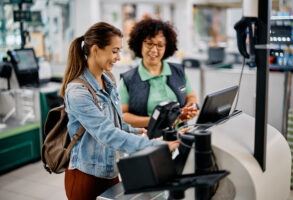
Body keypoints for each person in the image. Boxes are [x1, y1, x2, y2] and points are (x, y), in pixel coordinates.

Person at [60, 22, 179, 200]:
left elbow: (115, 122)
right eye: (114, 51)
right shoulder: (78, 91)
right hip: (85, 177)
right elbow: (107, 133)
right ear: (95, 50)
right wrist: (155, 146)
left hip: (111, 172)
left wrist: (139, 131)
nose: (118, 57)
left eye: (119, 51)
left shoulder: (108, 79)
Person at [118, 18, 198, 128]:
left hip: (181, 138)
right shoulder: (128, 80)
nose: (154, 50)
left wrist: (191, 108)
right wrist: (156, 120)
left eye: (160, 45)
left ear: (167, 47)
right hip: (147, 141)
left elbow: (191, 96)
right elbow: (122, 116)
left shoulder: (178, 72)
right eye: (149, 44)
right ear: (139, 44)